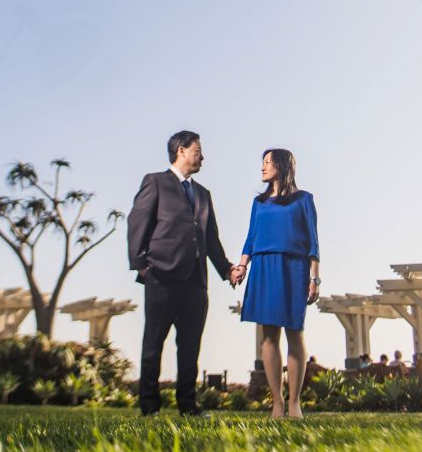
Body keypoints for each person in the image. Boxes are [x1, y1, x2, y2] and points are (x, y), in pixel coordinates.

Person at [127, 130, 236, 416]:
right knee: (153, 344)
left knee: (190, 347)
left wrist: (227, 270)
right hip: (161, 276)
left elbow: (211, 239)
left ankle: (188, 406)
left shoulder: (203, 194)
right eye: (198, 150)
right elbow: (137, 222)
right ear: (181, 151)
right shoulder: (155, 182)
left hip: (196, 282)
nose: (202, 156)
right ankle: (149, 406)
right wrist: (141, 265)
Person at [232, 148, 320, 418]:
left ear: (282, 166)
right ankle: (277, 403)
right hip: (263, 266)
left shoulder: (304, 199)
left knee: (295, 331)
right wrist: (241, 265)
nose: (263, 167)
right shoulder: (258, 203)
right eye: (262, 162)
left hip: (294, 267)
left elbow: (313, 242)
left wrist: (314, 277)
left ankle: (295, 402)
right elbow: (250, 237)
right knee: (268, 336)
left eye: (268, 162)